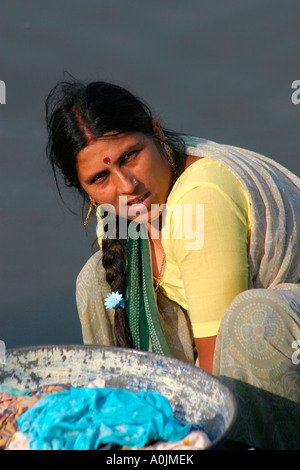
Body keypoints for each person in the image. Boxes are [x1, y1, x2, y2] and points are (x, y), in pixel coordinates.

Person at [45, 78, 300, 450]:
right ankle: (120, 428)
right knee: (95, 283)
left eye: (130, 155)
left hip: (278, 340)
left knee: (254, 320)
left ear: (157, 133)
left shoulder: (202, 201)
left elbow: (214, 386)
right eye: (100, 177)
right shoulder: (120, 215)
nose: (126, 185)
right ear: (85, 189)